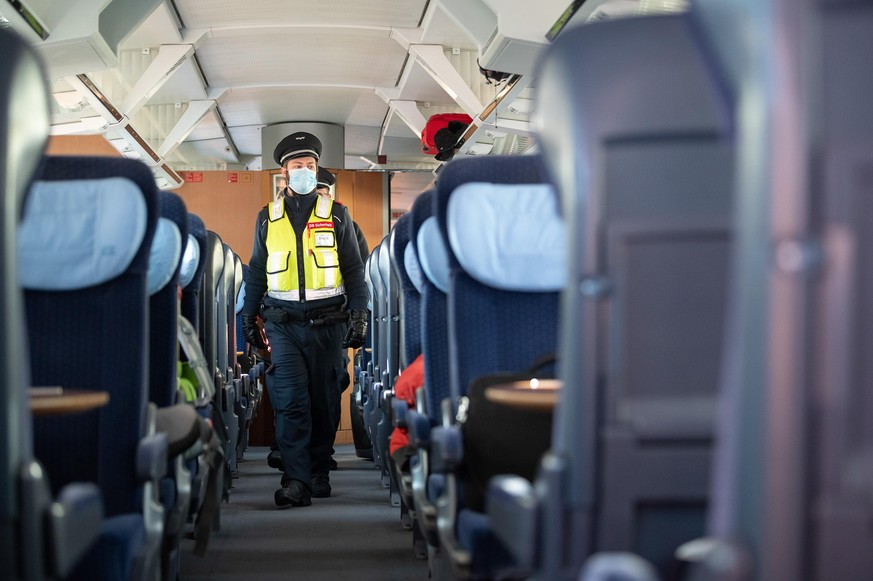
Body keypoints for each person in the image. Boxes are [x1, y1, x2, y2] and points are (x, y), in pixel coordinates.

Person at [240, 131, 368, 508]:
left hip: (329, 323)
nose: (304, 172)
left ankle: (317, 470)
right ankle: (295, 480)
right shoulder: (268, 217)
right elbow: (256, 271)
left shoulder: (338, 214)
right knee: (291, 401)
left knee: (324, 401)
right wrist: (249, 316)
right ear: (284, 173)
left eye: (310, 166)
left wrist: (359, 314)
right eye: (297, 166)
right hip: (283, 324)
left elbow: (355, 271)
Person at [315, 167, 370, 467]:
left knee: (331, 384)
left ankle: (322, 452)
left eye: (323, 192)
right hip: (298, 320)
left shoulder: (345, 224)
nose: (319, 197)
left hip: (336, 319)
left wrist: (355, 316)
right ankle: (298, 453)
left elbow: (357, 274)